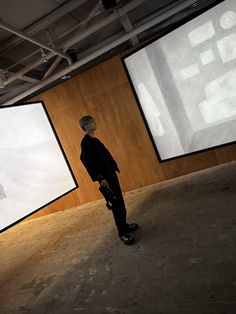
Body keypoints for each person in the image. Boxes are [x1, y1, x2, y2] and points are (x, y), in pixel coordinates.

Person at [79, 115, 139, 245]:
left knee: (120, 202)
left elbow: (106, 155)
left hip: (110, 175)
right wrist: (100, 178)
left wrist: (114, 167)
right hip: (105, 179)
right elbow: (87, 162)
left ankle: (125, 224)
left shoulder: (95, 140)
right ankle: (122, 233)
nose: (95, 123)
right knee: (116, 204)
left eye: (93, 121)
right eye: (92, 122)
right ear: (86, 126)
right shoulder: (86, 143)